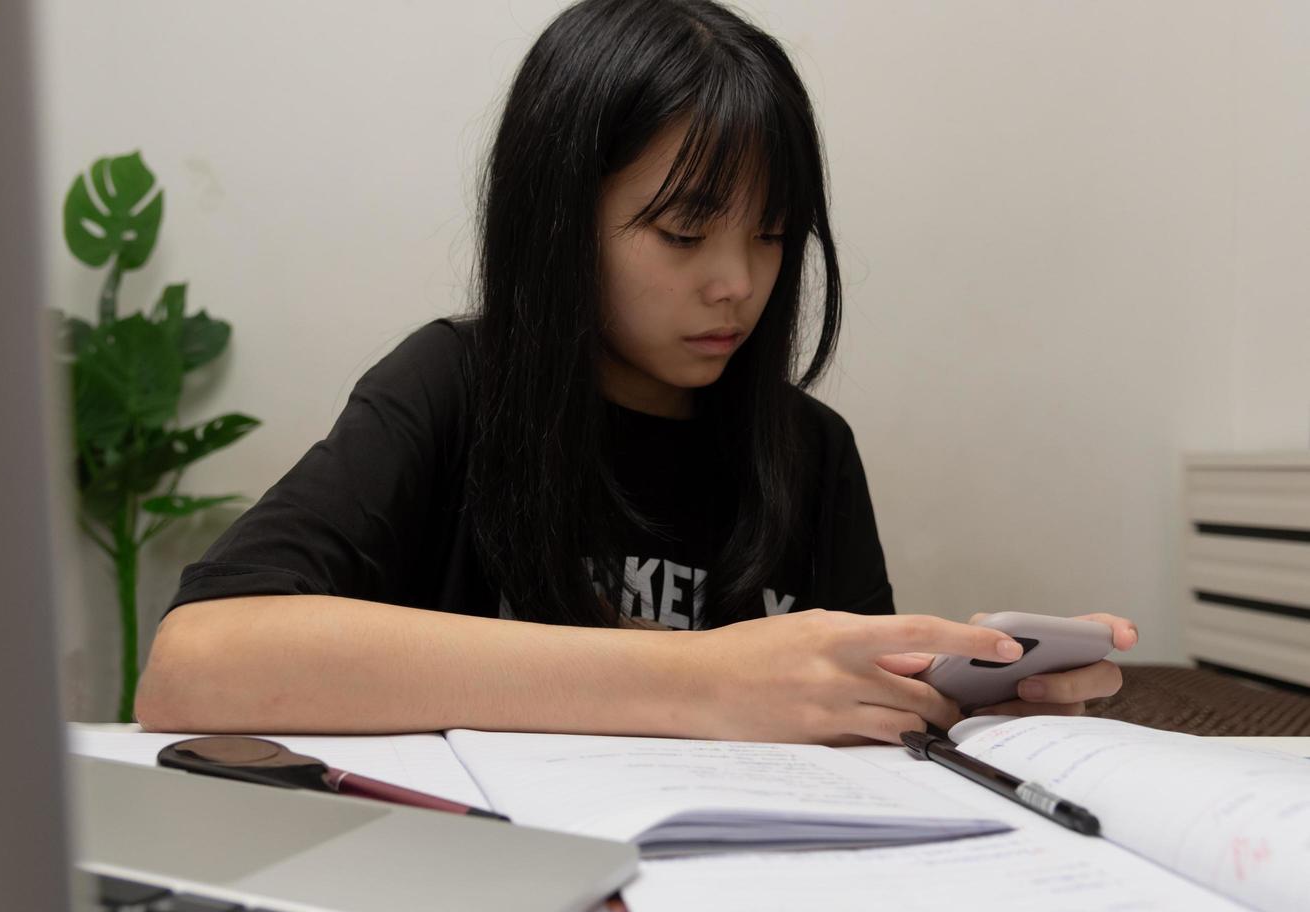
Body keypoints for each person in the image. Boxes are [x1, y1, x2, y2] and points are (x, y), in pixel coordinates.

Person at [135, 0, 1132, 743]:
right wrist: (699, 676)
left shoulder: (809, 451)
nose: (736, 284)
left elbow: (848, 718)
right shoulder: (451, 386)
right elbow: (195, 665)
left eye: (774, 235)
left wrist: (962, 693)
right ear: (560, 221)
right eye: (684, 232)